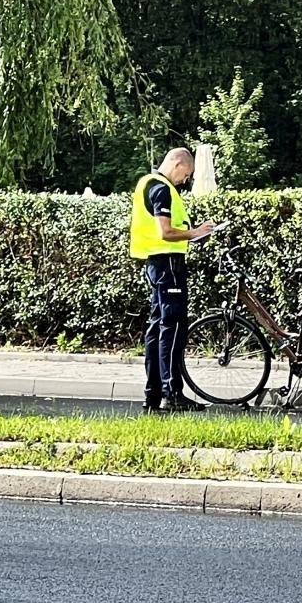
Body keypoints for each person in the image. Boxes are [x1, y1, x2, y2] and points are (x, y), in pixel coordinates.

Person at [129, 148, 215, 413]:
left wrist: (193, 232)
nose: (184, 180)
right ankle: (172, 393)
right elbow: (165, 232)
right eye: (186, 174)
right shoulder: (162, 189)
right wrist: (195, 233)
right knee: (173, 328)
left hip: (156, 264)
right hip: (168, 265)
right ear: (177, 164)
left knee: (157, 328)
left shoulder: (146, 183)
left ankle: (152, 394)